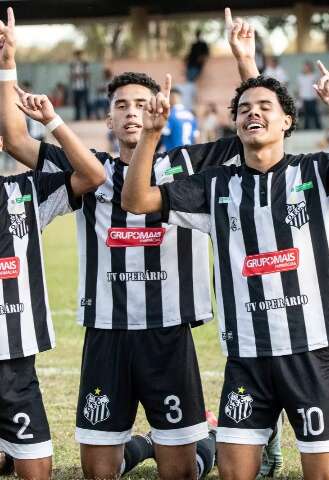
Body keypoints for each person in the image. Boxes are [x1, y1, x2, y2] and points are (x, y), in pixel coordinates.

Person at [1, 7, 275, 480]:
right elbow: (13, 138)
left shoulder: (188, 166)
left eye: (142, 104)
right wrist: (7, 65)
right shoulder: (89, 171)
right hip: (106, 333)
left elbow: (257, 133)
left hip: (169, 332)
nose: (133, 113)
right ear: (108, 118)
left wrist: (245, 61)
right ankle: (142, 445)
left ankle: (204, 443)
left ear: (161, 112)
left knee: (182, 472)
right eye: (122, 105)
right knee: (98, 471)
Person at [121, 13, 329, 480]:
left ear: (288, 120)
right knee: (235, 473)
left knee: (328, 474)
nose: (254, 113)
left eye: (266, 106)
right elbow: (137, 201)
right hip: (246, 355)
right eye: (244, 108)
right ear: (233, 125)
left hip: (310, 348)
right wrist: (150, 134)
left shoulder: (318, 170)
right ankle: (229, 438)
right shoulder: (214, 185)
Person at [0, 8, 106, 479]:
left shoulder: (24, 193)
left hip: (15, 365)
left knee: (37, 471)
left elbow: (93, 176)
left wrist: (8, 67)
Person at [297, 61, 321, 130]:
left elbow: (317, 86)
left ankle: (318, 127)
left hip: (313, 97)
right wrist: (299, 97)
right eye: (305, 66)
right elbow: (300, 87)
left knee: (315, 113)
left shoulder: (314, 75)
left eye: (308, 66)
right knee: (306, 114)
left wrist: (318, 96)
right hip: (304, 97)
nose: (306, 68)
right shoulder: (300, 76)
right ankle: (306, 127)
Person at [70, 49, 90, 121]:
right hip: (76, 87)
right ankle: (77, 117)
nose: (78, 56)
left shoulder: (85, 64)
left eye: (79, 55)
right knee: (76, 103)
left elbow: (87, 75)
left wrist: (79, 75)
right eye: (77, 55)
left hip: (84, 86)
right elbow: (71, 76)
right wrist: (75, 76)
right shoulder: (73, 65)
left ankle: (88, 116)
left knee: (86, 102)